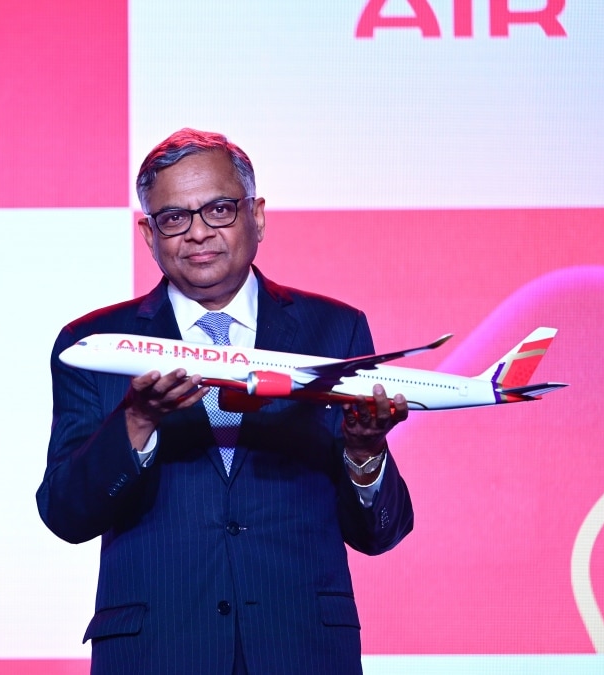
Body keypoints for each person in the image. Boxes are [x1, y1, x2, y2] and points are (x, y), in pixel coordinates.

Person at [37, 129, 414, 675]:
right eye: (173, 217)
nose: (197, 233)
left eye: (218, 209)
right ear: (149, 235)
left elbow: (380, 533)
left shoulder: (335, 330)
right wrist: (137, 422)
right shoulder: (97, 345)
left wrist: (364, 453)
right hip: (155, 652)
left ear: (256, 216)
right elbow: (65, 514)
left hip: (302, 649)